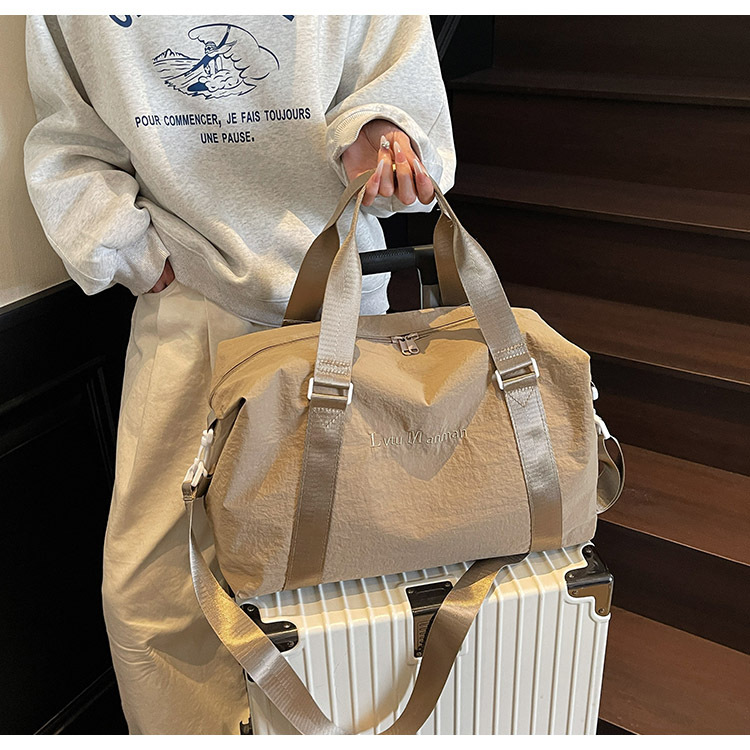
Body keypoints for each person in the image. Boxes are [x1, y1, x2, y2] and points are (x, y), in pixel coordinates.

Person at [24, 14, 456, 734]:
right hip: (191, 297)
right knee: (155, 589)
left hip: (342, 292)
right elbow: (70, 131)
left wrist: (380, 134)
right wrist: (126, 249)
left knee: (349, 573)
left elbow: (394, 79)